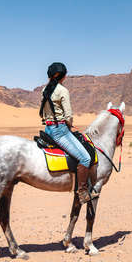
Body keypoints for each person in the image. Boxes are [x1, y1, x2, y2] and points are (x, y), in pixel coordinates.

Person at [39, 62, 97, 204]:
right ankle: (82, 192)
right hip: (59, 131)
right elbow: (68, 116)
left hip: (48, 129)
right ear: (62, 76)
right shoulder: (62, 90)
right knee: (85, 158)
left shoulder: (44, 89)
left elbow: (43, 113)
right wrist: (70, 125)